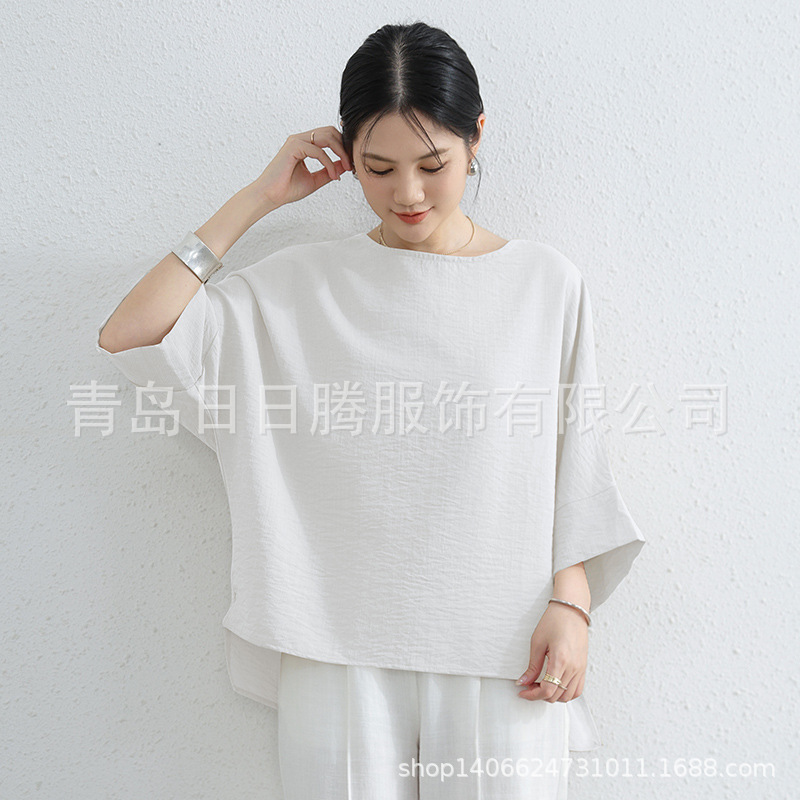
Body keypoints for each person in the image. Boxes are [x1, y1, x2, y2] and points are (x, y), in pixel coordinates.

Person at [95, 21, 646, 800]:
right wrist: (257, 199)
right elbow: (132, 333)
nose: (408, 194)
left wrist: (573, 605)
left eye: (434, 164)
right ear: (346, 154)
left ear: (476, 136)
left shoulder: (543, 284)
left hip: (507, 637)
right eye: (378, 167)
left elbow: (572, 459)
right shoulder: (297, 287)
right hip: (336, 639)